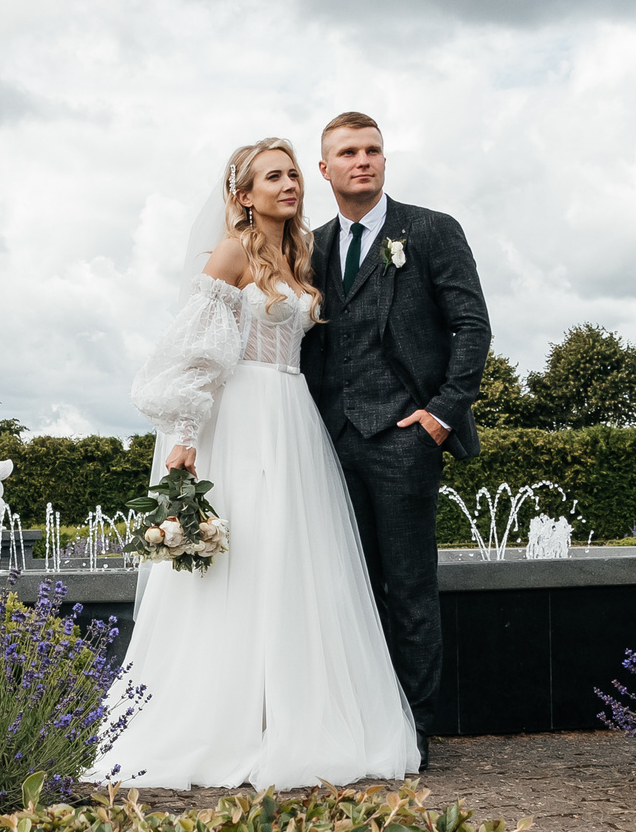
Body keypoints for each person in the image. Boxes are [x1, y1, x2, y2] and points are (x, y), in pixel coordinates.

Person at [88, 137, 419, 789]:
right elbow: (197, 352)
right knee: (242, 561)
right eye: (274, 175)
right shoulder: (232, 250)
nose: (289, 182)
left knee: (292, 559)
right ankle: (224, 718)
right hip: (240, 419)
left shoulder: (298, 254)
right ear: (243, 194)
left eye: (294, 172)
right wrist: (184, 439)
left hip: (292, 419)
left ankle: (287, 714)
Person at [302, 113, 489, 772]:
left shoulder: (432, 231)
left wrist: (440, 413)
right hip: (328, 441)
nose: (363, 161)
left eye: (373, 150)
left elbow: (472, 326)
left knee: (408, 584)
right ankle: (358, 722)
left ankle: (413, 729)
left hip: (404, 437)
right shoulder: (312, 246)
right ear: (323, 168)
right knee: (344, 587)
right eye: (347, 153)